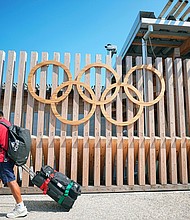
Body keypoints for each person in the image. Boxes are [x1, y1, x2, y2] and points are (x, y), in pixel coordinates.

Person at [0, 110, 27, 218]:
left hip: (3, 159)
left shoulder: (1, 126)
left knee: (11, 181)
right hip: (7, 157)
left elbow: (2, 144)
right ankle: (20, 207)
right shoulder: (7, 123)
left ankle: (21, 207)